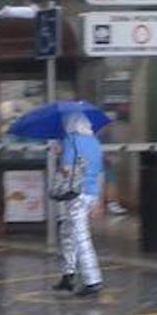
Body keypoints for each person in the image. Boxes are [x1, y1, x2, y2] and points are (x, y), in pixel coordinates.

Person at [51, 112, 104, 297]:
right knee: (68, 231)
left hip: (76, 195)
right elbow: (99, 173)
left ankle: (93, 280)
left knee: (80, 236)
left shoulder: (70, 140)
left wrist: (59, 155)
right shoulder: (95, 143)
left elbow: (66, 170)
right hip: (90, 194)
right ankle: (68, 275)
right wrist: (98, 200)